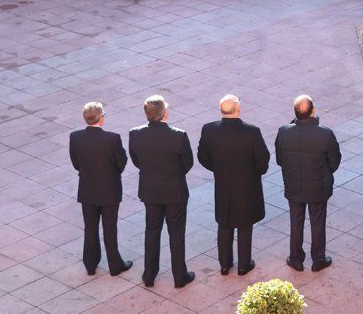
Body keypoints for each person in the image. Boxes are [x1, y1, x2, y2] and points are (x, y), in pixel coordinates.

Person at [197, 95, 270, 276]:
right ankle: (244, 265)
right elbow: (263, 160)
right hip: (247, 187)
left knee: (224, 223)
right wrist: (254, 173)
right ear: (238, 109)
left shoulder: (209, 130)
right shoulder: (251, 132)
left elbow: (202, 156)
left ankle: (224, 264)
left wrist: (218, 169)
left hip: (223, 185)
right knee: (245, 225)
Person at [128, 95, 195, 288]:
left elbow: (136, 160)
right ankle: (179, 276)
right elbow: (187, 163)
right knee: (176, 233)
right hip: (175, 192)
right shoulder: (178, 135)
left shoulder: (135, 134)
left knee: (152, 231)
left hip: (150, 191)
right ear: (164, 113)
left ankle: (149, 275)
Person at [275, 95, 342, 272]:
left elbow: (280, 160)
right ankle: (318, 259)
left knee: (295, 222)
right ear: (313, 110)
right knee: (317, 222)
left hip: (294, 187)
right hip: (318, 188)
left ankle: (295, 258)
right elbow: (334, 163)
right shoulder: (325, 134)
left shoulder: (283, 132)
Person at [69, 102, 132, 277]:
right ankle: (115, 265)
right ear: (101, 118)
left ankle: (90, 264)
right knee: (110, 228)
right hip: (109, 190)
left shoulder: (75, 137)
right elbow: (121, 163)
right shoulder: (112, 139)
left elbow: (76, 163)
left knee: (90, 227)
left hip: (87, 190)